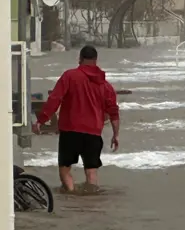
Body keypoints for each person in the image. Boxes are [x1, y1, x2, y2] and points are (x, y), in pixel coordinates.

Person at [33, 45, 120, 193]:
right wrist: (115, 135)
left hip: (70, 131)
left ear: (79, 59)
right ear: (96, 60)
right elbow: (113, 112)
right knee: (91, 171)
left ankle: (71, 196)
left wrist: (41, 120)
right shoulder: (105, 85)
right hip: (93, 133)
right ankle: (90, 203)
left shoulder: (69, 76)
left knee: (65, 169)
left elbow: (55, 99)